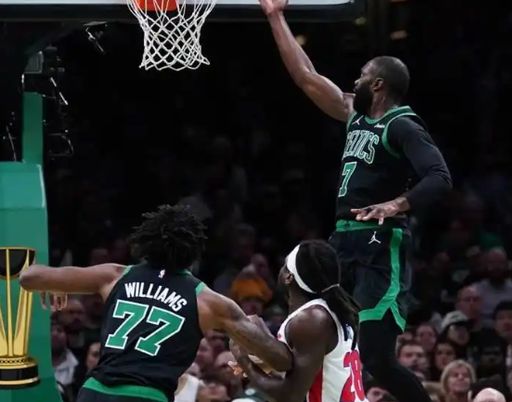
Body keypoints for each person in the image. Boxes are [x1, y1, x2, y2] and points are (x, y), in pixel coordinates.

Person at [258, 0, 452, 401]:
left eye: (362, 76)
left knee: (375, 356)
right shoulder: (354, 115)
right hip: (343, 242)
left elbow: (439, 176)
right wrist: (275, 16)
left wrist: (396, 204)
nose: (356, 80)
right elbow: (306, 77)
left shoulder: (402, 125)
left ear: (378, 84)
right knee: (320, 331)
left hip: (381, 245)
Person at [20, 205, 292, 402]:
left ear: (145, 243)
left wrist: (55, 284)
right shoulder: (208, 301)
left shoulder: (115, 275)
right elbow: (280, 360)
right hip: (148, 395)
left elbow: (28, 277)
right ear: (194, 253)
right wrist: (247, 348)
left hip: (95, 392)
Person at [229, 240, 366, 402]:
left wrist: (244, 361)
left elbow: (291, 396)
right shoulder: (328, 312)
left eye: (285, 265)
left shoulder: (312, 319)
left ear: (288, 277)